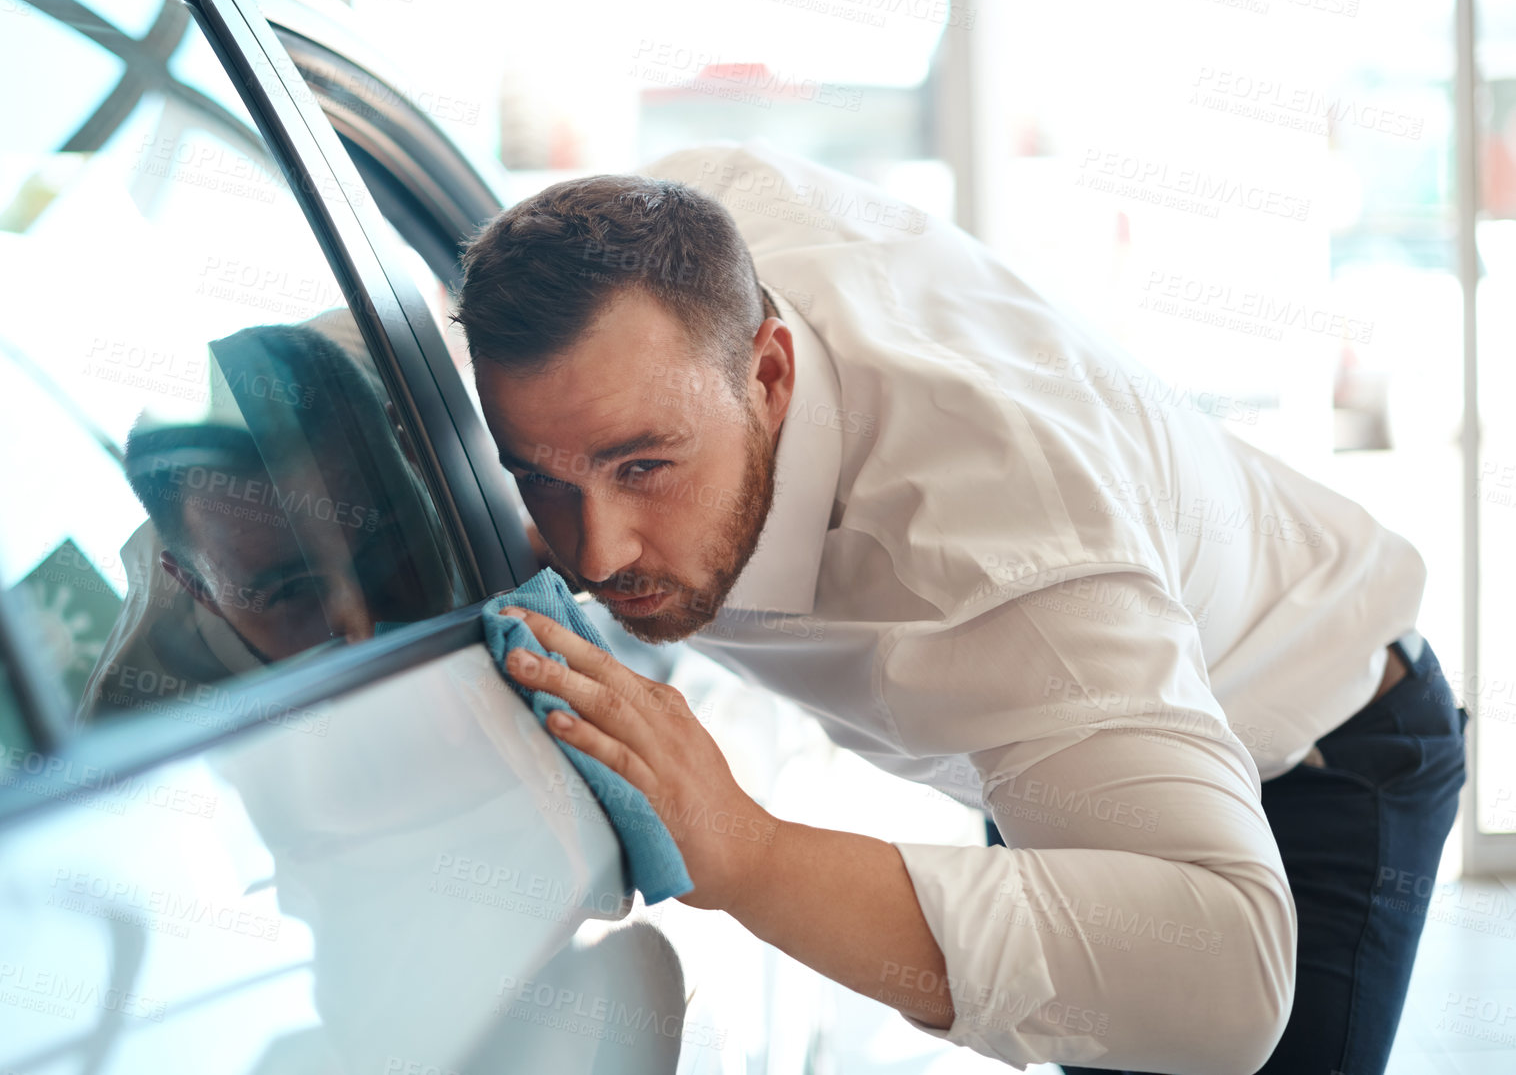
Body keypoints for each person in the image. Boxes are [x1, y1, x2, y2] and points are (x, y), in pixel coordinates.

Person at [455, 140, 1469, 1074]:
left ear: (767, 374)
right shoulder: (677, 240)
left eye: (644, 464)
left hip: (1309, 738)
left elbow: (1230, 976)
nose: (594, 550)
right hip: (1050, 745)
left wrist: (743, 847)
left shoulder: (1009, 545)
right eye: (538, 477)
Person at [80, 316, 457, 720]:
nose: (369, 632)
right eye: (293, 590)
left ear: (415, 456)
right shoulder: (137, 726)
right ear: (196, 588)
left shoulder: (396, 344)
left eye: (387, 544)